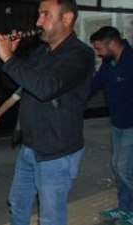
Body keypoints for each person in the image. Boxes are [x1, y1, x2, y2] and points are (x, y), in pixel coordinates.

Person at [0, 0, 95, 224]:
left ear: (66, 18)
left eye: (45, 15)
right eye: (39, 15)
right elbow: (13, 84)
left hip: (57, 153)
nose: (38, 21)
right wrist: (9, 59)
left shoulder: (80, 55)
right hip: (29, 148)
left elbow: (45, 88)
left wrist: (10, 59)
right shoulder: (41, 53)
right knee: (17, 203)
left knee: (50, 217)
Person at [89, 26, 133, 225]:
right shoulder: (108, 64)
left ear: (112, 43)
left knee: (124, 168)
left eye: (99, 48)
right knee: (118, 166)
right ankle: (124, 208)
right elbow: (94, 85)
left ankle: (130, 210)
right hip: (118, 124)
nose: (98, 52)